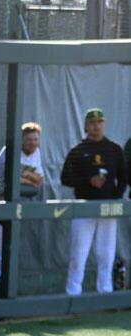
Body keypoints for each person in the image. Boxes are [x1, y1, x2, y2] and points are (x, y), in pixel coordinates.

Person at [61, 108, 127, 295]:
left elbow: (123, 178)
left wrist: (115, 199)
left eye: (99, 122)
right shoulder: (78, 150)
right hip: (83, 207)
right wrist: (88, 181)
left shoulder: (114, 149)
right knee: (78, 254)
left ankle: (104, 292)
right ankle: (72, 294)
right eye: (92, 123)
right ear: (85, 126)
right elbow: (65, 178)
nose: (96, 126)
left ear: (104, 124)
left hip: (107, 208)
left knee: (106, 254)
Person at [0, 122, 44, 300]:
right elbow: (13, 179)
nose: (32, 143)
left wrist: (25, 175)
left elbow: (38, 180)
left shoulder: (36, 152)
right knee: (0, 255)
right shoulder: (10, 150)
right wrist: (28, 176)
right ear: (21, 139)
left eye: (35, 139)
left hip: (12, 207)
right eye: (29, 140)